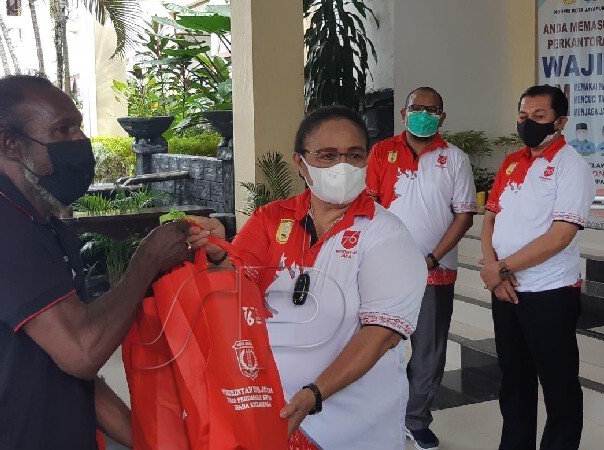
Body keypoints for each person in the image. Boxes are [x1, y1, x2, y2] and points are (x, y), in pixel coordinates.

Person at [0, 75, 201, 450]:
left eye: (78, 126)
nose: (79, 141)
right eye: (62, 130)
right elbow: (81, 352)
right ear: (9, 143)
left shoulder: (42, 224)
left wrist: (151, 443)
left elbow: (74, 374)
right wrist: (146, 260)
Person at [191, 106, 427, 449]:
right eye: (328, 155)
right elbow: (239, 282)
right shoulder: (272, 219)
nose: (342, 166)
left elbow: (381, 335)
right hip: (277, 405)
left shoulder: (386, 234)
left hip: (354, 420)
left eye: (354, 155)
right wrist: (215, 251)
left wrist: (314, 394)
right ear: (301, 163)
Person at [480, 85, 595, 450]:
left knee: (559, 386)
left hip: (550, 293)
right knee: (514, 383)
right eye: (523, 116)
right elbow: (490, 218)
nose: (528, 123)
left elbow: (561, 234)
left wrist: (501, 269)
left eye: (539, 117)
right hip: (507, 292)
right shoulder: (511, 161)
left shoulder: (571, 167)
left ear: (561, 122)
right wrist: (493, 268)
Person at [365, 87, 476, 449]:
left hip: (436, 269)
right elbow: (368, 209)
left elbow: (464, 216)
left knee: (428, 349)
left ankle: (416, 419)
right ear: (403, 112)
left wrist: (430, 257)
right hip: (386, 269)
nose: (424, 114)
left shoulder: (455, 158)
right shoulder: (382, 152)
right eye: (418, 108)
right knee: (379, 344)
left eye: (433, 110)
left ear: (442, 117)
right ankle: (379, 415)